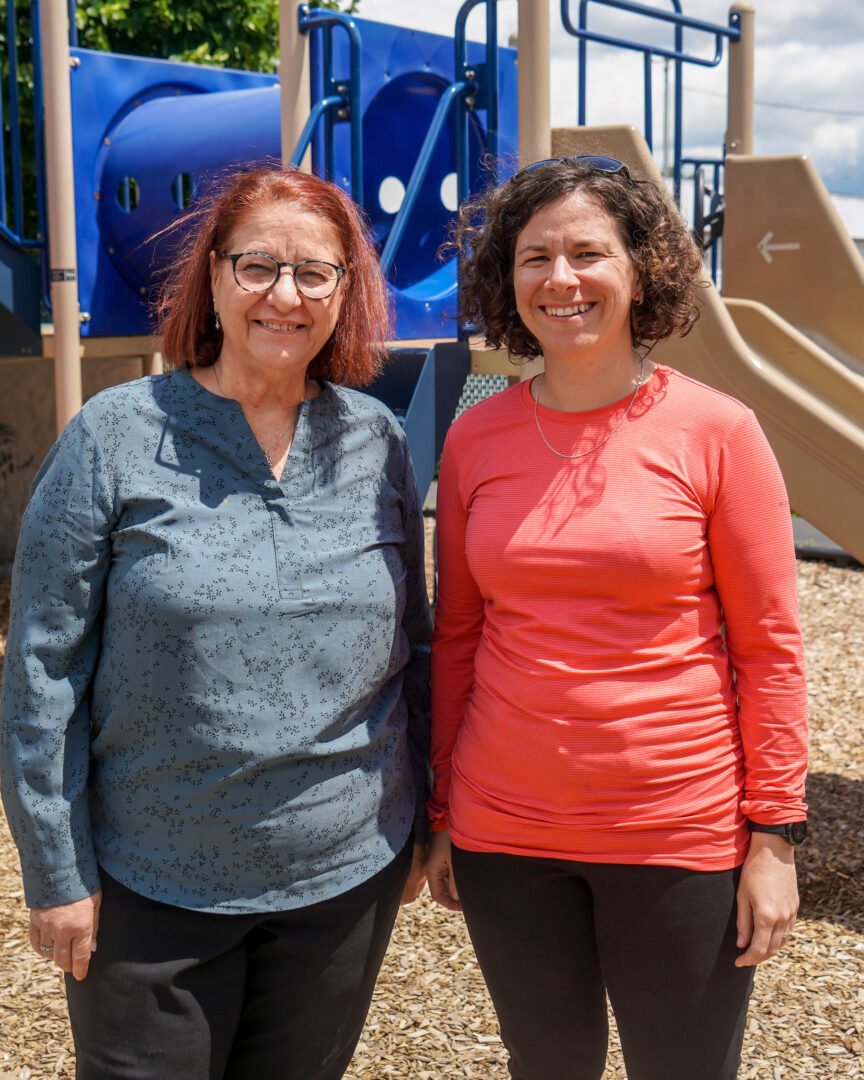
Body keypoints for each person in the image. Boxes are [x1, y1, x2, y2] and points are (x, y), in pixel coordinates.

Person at [0, 163, 432, 1080]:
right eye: (258, 266)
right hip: (147, 887)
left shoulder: (376, 441)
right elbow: (42, 667)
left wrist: (429, 817)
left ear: (346, 293)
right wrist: (55, 872)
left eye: (316, 272)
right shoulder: (115, 437)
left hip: (344, 877)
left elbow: (415, 647)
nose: (286, 294)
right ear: (214, 277)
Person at [425, 156, 808, 1080]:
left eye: (589, 253)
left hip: (676, 831)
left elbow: (770, 649)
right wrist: (442, 808)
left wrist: (773, 838)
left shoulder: (719, 431)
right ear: (505, 280)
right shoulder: (476, 434)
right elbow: (459, 636)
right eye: (534, 257)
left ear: (642, 271)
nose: (561, 279)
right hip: (504, 834)